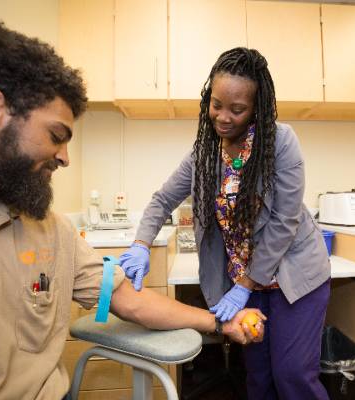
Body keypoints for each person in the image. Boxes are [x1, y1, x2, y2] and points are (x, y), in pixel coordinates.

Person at [0, 22, 265, 400]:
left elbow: (131, 301)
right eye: (56, 136)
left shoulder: (51, 230)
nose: (64, 158)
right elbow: (162, 201)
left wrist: (221, 322)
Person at [119, 47, 332, 399]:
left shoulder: (281, 143)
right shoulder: (203, 155)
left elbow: (284, 222)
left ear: (256, 110)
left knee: (293, 376)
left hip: (295, 279)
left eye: (237, 109)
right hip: (245, 288)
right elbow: (161, 200)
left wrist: (246, 284)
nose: (223, 117)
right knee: (259, 378)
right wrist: (141, 244)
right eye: (216, 104)